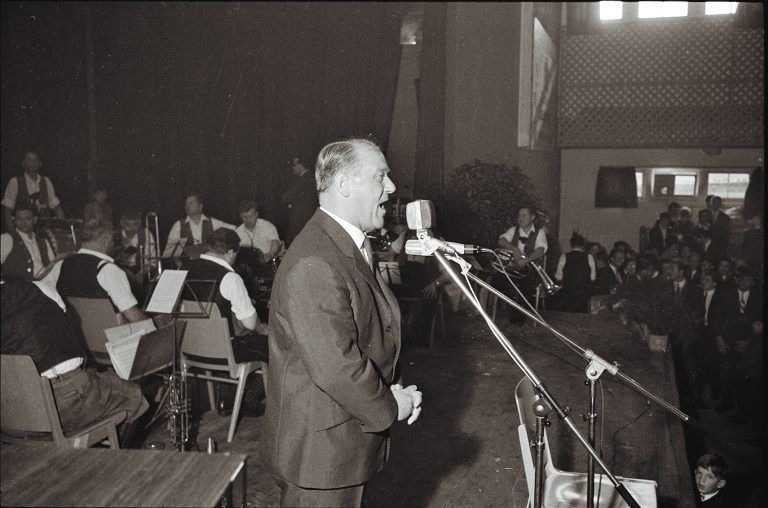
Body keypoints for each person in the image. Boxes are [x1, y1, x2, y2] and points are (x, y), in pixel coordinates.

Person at [263, 139, 422, 507]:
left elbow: (370, 334)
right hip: (320, 459)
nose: (392, 188)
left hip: (344, 445)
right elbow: (336, 367)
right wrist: (389, 405)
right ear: (345, 185)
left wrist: (395, 392)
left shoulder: (347, 244)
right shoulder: (314, 262)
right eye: (381, 176)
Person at [1, 278, 149, 447]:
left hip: (11, 417)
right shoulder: (39, 288)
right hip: (65, 404)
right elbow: (65, 326)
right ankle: (115, 458)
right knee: (133, 394)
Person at [42, 219, 148, 323]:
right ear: (105, 241)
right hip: (112, 337)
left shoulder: (61, 264)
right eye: (113, 240)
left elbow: (43, 291)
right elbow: (133, 316)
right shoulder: (109, 270)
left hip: (77, 338)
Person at [497, 206, 548, 323]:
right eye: (519, 215)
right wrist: (513, 248)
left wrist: (527, 260)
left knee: (527, 284)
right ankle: (514, 304)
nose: (520, 218)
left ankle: (518, 315)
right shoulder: (513, 230)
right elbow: (501, 241)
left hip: (529, 269)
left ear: (532, 217)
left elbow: (540, 250)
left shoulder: (539, 233)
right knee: (497, 281)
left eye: (524, 215)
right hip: (512, 268)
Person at [2, 151, 65, 232]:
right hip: (23, 229)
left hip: (44, 229)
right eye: (29, 160)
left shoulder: (46, 181)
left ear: (40, 164)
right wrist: (12, 232)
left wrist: (65, 225)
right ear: (23, 163)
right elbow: (7, 210)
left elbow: (55, 205)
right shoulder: (15, 182)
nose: (33, 163)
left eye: (35, 160)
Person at [165, 193, 235, 261]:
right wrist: (180, 267)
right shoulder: (178, 225)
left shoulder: (213, 222)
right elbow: (172, 252)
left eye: (191, 203)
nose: (187, 206)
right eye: (186, 204)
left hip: (209, 266)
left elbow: (235, 229)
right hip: (188, 267)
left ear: (200, 206)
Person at [0, 203, 55, 281]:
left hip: (45, 285)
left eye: (27, 219)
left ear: (35, 220)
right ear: (14, 220)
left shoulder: (43, 241)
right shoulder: (7, 238)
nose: (23, 223)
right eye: (19, 219)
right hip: (17, 290)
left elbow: (53, 266)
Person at [280, 156, 319, 247]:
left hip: (300, 222)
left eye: (294, 165)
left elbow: (285, 198)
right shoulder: (310, 178)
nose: (292, 167)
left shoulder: (305, 179)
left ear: (301, 165)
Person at [554, 231, 596, 313]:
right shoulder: (589, 257)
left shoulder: (564, 257)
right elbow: (593, 278)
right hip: (584, 294)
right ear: (583, 245)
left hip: (568, 293)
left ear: (571, 244)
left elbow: (558, 277)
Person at [234, 199, 281, 264]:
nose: (248, 220)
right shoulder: (237, 232)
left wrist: (270, 254)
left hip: (268, 262)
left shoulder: (267, 226)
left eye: (251, 216)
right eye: (245, 217)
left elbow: (275, 243)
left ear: (256, 214)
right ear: (240, 216)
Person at [707, 196, 731, 261]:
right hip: (707, 245)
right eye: (714, 202)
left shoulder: (725, 217)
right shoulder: (706, 215)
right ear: (711, 204)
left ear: (720, 204)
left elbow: (727, 233)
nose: (715, 204)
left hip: (719, 246)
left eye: (717, 203)